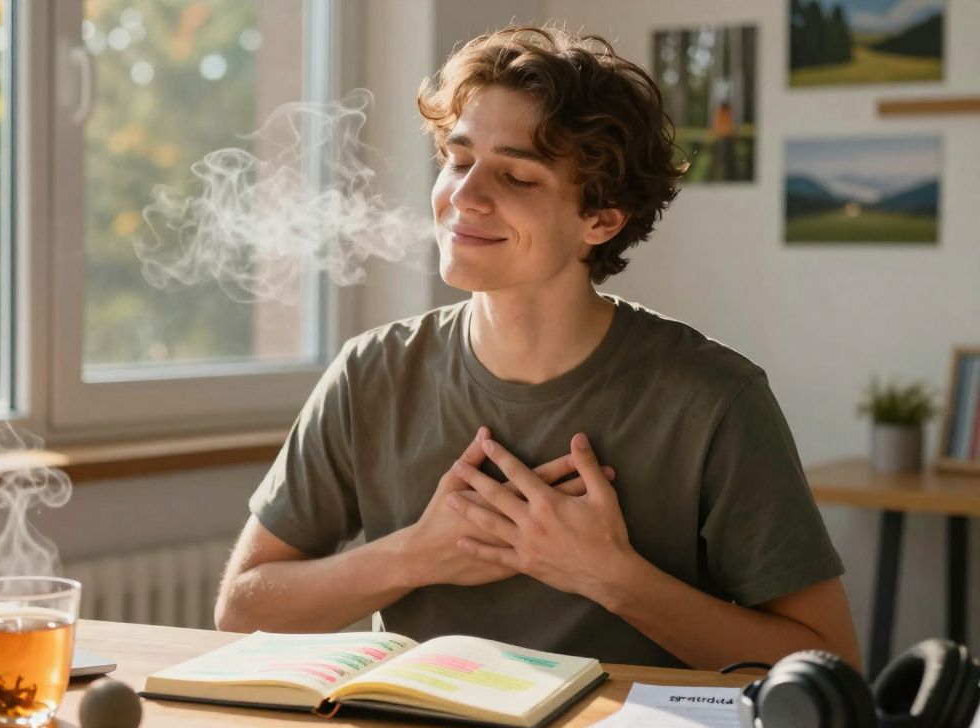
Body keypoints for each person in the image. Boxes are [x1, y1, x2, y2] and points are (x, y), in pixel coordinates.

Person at [214, 25, 860, 671]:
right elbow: (242, 613)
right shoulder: (372, 373)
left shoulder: (714, 399)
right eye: (458, 160)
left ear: (601, 219)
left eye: (517, 176)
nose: (463, 198)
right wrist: (414, 554)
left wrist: (609, 576)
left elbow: (831, 664)